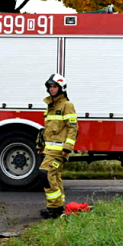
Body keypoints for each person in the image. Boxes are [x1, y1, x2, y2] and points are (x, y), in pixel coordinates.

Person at [36, 74, 77, 219]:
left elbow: (73, 128)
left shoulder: (67, 105)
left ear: (61, 88)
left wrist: (67, 148)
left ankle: (53, 209)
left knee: (45, 174)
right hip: (49, 150)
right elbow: (47, 129)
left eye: (54, 87)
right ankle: (59, 208)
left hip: (59, 150)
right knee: (55, 176)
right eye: (50, 87)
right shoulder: (51, 106)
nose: (51, 89)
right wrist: (41, 144)